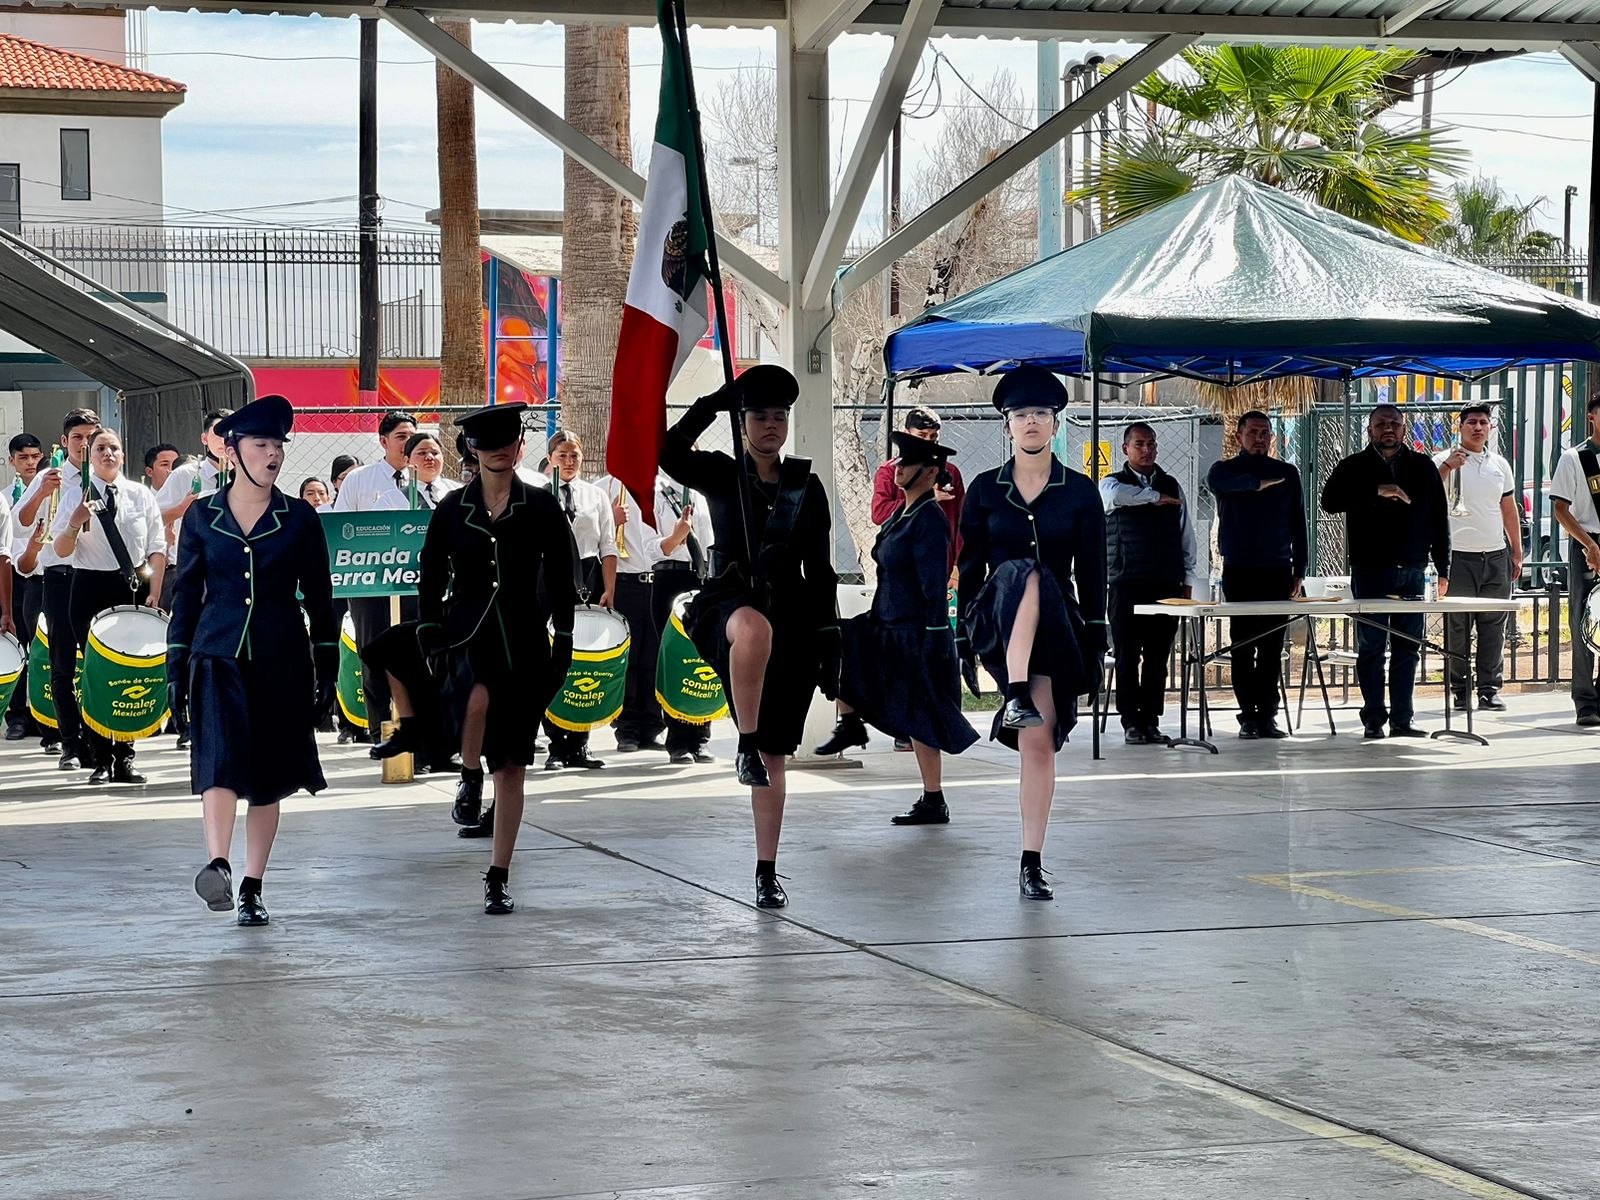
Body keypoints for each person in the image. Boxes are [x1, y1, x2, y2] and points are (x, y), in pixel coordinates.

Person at [660, 366, 839, 909]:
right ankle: (741, 744)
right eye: (758, 415)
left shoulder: (806, 487)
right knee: (751, 629)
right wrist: (712, 402)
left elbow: (821, 569)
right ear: (742, 423)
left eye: (778, 416)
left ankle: (766, 870)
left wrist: (828, 638)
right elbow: (666, 451)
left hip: (791, 616)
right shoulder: (720, 474)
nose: (770, 425)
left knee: (776, 756)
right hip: (730, 604)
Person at [169, 396, 337, 927]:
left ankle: (251, 885)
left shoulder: (300, 517)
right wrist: (175, 669)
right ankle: (217, 863)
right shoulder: (201, 516)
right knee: (216, 763)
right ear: (232, 451)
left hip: (281, 660)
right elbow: (186, 598)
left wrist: (327, 668)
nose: (273, 455)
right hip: (216, 657)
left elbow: (320, 596)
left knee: (267, 779)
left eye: (278, 446)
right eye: (261, 445)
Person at [414, 402, 578, 914]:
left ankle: (498, 873)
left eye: (509, 442)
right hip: (466, 638)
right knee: (475, 699)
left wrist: (565, 637)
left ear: (520, 447)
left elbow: (560, 576)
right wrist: (430, 636)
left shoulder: (541, 506)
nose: (500, 451)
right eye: (489, 444)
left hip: (525, 642)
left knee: (512, 766)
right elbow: (431, 574)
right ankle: (467, 774)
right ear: (473, 450)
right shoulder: (451, 509)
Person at [957, 366, 1105, 899]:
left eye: (1041, 414)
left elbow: (1092, 570)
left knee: (1038, 744)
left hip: (1056, 624)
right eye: (1021, 415)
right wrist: (959, 640)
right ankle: (1014, 692)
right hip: (995, 613)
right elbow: (970, 567)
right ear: (1007, 425)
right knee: (1024, 571)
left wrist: (1098, 631)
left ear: (1055, 422)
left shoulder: (1081, 491)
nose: (1032, 422)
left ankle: (1031, 860)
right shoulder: (984, 490)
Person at [818, 431, 978, 823]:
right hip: (884, 620)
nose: (898, 468)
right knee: (834, 643)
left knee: (922, 713)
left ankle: (933, 799)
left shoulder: (928, 519)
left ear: (929, 472)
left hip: (913, 630)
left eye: (906, 463)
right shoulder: (902, 515)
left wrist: (936, 639)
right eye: (899, 461)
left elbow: (932, 584)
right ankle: (852, 722)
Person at [1321, 403, 1450, 739]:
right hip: (1370, 570)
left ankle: (1402, 719)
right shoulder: (1354, 466)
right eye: (1381, 424)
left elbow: (1439, 518)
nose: (1388, 429)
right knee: (1372, 647)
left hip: (1412, 569)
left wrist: (1443, 565)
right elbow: (1329, 501)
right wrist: (1377, 491)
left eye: (1394, 423)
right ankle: (1373, 719)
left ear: (1405, 430)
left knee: (1408, 647)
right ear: (1370, 430)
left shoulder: (1422, 466)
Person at [50, 427, 168, 784]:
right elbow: (60, 551)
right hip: (87, 585)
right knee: (98, 673)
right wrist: (74, 523)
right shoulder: (75, 495)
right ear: (89, 455)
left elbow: (157, 546)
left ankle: (125, 758)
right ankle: (100, 756)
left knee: (129, 671)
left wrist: (155, 592)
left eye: (114, 448)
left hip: (131, 586)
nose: (108, 454)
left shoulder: (140, 495)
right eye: (100, 448)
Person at [1206, 411, 1308, 739]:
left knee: (1271, 647)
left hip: (1277, 569)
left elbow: (1298, 522)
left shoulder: (1287, 473)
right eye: (1253, 432)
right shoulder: (1225, 470)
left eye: (1265, 432)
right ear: (1239, 436)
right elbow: (1218, 484)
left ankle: (1268, 715)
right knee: (1242, 644)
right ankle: (1247, 716)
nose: (1259, 438)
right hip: (1239, 569)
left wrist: (1300, 569)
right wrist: (1257, 484)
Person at [1100, 421, 1196, 745]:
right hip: (1126, 581)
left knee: (1158, 656)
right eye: (1139, 444)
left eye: (1151, 444)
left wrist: (1188, 577)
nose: (1146, 450)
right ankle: (1131, 722)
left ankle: (1151, 720)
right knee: (1127, 654)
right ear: (1126, 449)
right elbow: (1116, 497)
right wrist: (1152, 497)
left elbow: (1187, 535)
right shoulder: (1113, 483)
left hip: (1166, 581)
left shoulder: (1172, 484)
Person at [14, 408, 101, 769]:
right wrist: (41, 493)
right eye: (77, 437)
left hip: (95, 575)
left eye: (90, 437)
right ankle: (70, 741)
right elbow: (21, 523)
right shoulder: (50, 476)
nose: (84, 444)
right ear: (65, 443)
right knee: (61, 664)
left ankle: (102, 743)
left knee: (97, 664)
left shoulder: (106, 475)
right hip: (59, 576)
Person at [332, 410, 421, 732]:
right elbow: (342, 529)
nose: (408, 443)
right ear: (383, 441)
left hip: (414, 583)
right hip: (370, 584)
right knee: (373, 652)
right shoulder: (360, 479)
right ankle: (379, 726)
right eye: (400, 436)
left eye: (412, 435)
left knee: (416, 653)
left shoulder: (424, 478)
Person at [1435, 404, 1520, 712]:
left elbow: (1508, 508)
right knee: (1457, 627)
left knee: (1493, 626)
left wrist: (1516, 551)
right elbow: (1426, 491)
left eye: (1483, 422)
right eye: (1471, 422)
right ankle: (1459, 689)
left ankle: (1489, 689)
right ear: (1460, 427)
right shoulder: (1444, 460)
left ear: (1491, 428)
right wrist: (1447, 467)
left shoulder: (1500, 464)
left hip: (1494, 555)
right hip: (1458, 556)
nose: (1478, 427)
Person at [543, 429, 616, 772]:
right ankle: (556, 742)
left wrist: (609, 588)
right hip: (546, 578)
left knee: (583, 659)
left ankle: (580, 743)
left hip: (585, 576)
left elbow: (607, 545)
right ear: (550, 458)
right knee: (551, 660)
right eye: (562, 456)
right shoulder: (539, 494)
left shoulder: (594, 495)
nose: (569, 462)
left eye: (574, 456)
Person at [651, 472, 717, 764]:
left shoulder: (702, 493)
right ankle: (677, 740)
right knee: (676, 661)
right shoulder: (655, 492)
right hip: (669, 577)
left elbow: (710, 539)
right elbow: (651, 546)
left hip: (702, 578)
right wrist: (677, 535)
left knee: (704, 657)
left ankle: (701, 737)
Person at [1550, 392, 1600, 727]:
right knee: (1585, 622)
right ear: (1592, 417)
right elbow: (1560, 509)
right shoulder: (1575, 458)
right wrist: (1589, 546)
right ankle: (1585, 701)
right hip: (1589, 542)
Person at [156, 411, 233, 622]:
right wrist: (181, 509)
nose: (224, 439)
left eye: (230, 433)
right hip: (190, 570)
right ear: (204, 438)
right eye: (218, 433)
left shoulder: (247, 476)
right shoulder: (186, 475)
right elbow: (153, 519)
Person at [6, 433, 44, 741]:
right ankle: (17, 714)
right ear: (12, 462)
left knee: (44, 647)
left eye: (34, 456)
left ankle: (45, 713)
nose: (30, 463)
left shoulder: (49, 490)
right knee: (18, 644)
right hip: (13, 578)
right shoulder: (7, 497)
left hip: (42, 576)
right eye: (23, 458)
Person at [403, 431, 462, 508]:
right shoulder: (394, 498)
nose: (430, 457)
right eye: (422, 453)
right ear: (407, 460)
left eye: (435, 453)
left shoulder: (459, 491)